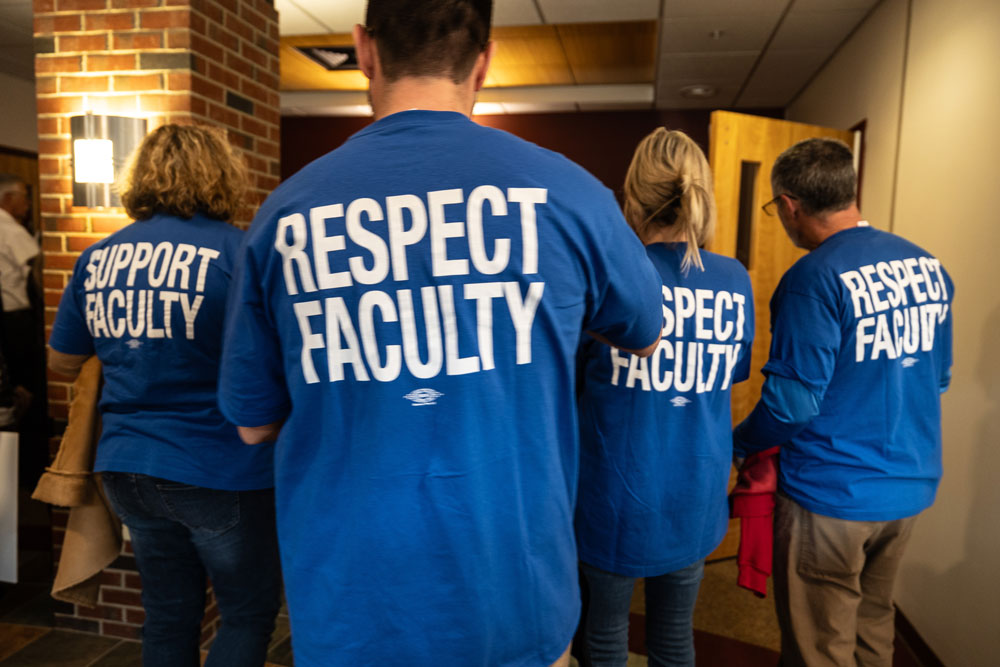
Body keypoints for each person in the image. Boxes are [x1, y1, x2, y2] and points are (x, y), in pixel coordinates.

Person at [218, 1, 663, 665]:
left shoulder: (283, 215)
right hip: (513, 599)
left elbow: (253, 423)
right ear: (483, 60)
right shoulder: (570, 195)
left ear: (364, 49)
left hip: (351, 610)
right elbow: (646, 332)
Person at [47, 124, 281, 667]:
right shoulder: (237, 252)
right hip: (219, 467)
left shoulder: (97, 258)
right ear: (221, 176)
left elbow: (62, 361)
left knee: (170, 613)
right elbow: (268, 362)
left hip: (128, 468)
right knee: (246, 613)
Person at [732, 138, 953, 667]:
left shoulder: (812, 280)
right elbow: (936, 379)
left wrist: (736, 445)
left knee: (819, 647)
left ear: (790, 205)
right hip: (909, 489)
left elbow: (791, 406)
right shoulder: (928, 268)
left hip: (833, 498)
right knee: (873, 625)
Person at [574, 128, 754, 667]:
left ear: (632, 196)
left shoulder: (610, 279)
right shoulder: (733, 279)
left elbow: (569, 381)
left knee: (604, 638)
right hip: (694, 491)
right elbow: (729, 375)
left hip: (613, 494)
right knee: (675, 639)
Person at [0, 173, 47, 484]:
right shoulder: (8, 227)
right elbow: (39, 271)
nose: (28, 205)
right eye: (24, 198)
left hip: (11, 321)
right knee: (28, 392)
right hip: (16, 321)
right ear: (7, 199)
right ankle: (31, 470)